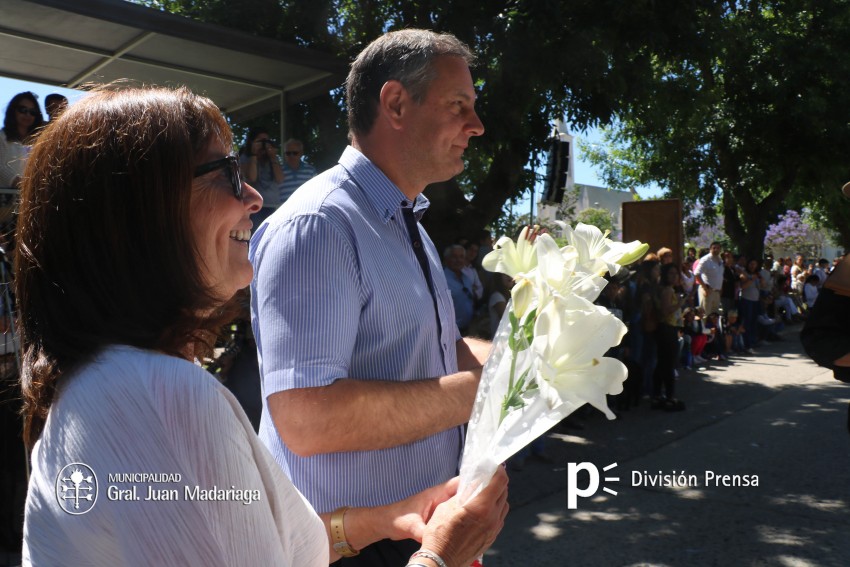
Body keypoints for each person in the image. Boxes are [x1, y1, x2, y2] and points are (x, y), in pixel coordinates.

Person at [18, 86, 507, 567]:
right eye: (226, 173)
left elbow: (274, 544)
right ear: (141, 213)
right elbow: (307, 417)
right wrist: (440, 556)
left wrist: (387, 518)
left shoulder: (123, 384)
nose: (253, 196)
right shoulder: (157, 396)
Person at [250, 30, 493, 565]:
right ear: (396, 103)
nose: (475, 126)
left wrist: (530, 362)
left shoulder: (409, 225)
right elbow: (306, 419)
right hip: (348, 549)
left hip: (422, 536)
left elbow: (437, 351)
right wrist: (486, 390)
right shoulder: (318, 225)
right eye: (459, 106)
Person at [239, 127, 284, 225]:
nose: (263, 144)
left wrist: (273, 157)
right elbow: (252, 177)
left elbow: (280, 179)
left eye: (266, 141)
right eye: (260, 141)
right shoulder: (245, 158)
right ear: (252, 142)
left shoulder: (272, 159)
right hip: (256, 207)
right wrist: (254, 155)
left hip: (273, 205)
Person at [0, 91, 43, 189]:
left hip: (29, 199)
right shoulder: (2, 137)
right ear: (13, 111)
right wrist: (18, 183)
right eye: (23, 110)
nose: (27, 115)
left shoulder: (39, 143)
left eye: (32, 112)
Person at [279, 138, 317, 203]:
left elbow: (316, 191)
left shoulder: (310, 171)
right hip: (284, 209)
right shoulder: (279, 171)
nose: (291, 156)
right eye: (288, 153)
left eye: (295, 153)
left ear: (301, 153)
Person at [694, 241, 724, 317]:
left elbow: (720, 276)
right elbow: (696, 273)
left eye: (718, 248)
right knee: (706, 315)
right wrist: (705, 288)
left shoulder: (720, 260)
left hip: (717, 292)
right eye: (714, 248)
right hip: (707, 291)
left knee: (715, 315)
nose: (716, 250)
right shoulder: (705, 260)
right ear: (710, 249)